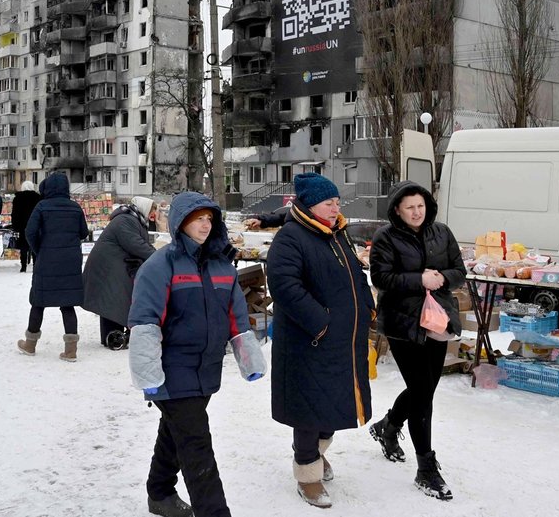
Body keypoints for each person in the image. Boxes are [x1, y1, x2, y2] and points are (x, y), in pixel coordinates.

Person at [128, 192, 251, 517]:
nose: (205, 224)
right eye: (198, 218)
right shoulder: (160, 265)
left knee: (175, 431)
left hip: (206, 370)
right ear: (181, 221)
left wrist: (249, 359)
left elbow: (236, 316)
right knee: (197, 448)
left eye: (210, 218)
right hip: (171, 370)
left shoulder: (222, 266)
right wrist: (149, 376)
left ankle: (160, 493)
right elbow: (144, 323)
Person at [267, 173, 375, 509]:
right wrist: (321, 325)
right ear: (310, 203)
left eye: (337, 201)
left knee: (334, 405)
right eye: (329, 202)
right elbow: (284, 287)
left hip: (342, 341)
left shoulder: (335, 233)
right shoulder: (291, 238)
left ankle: (314, 454)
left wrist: (368, 307)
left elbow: (355, 275)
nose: (335, 206)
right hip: (310, 344)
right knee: (309, 411)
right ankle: (308, 476)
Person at [368, 181, 466, 501]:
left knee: (424, 387)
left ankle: (389, 425)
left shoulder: (441, 232)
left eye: (420, 206)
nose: (416, 212)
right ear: (397, 209)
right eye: (410, 207)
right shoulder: (386, 237)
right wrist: (418, 279)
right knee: (423, 393)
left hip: (436, 319)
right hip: (402, 323)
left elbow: (459, 271)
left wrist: (441, 278)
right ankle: (426, 468)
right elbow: (380, 278)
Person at [16, 173, 89, 362]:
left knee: (38, 301)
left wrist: (39, 249)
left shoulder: (42, 207)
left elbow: (29, 231)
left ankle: (30, 344)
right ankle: (71, 349)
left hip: (47, 259)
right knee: (68, 303)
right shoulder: (75, 208)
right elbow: (83, 232)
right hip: (70, 261)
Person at [83, 196, 155, 349]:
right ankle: (112, 335)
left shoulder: (133, 219)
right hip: (108, 266)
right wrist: (157, 256)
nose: (153, 213)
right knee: (112, 298)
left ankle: (113, 333)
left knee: (113, 298)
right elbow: (135, 244)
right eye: (152, 209)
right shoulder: (125, 220)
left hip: (113, 265)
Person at [11, 181, 41, 272]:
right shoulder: (38, 198)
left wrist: (15, 225)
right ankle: (36, 265)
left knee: (23, 245)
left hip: (22, 225)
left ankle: (23, 266)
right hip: (35, 224)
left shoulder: (18, 198)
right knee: (35, 245)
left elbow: (15, 213)